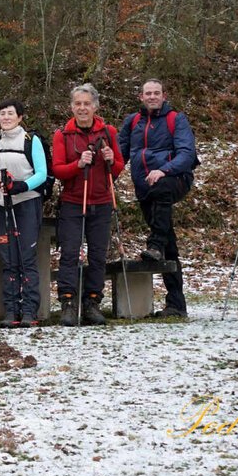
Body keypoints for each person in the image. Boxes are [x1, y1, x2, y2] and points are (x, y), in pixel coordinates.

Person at [123, 78, 198, 319]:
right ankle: (176, 303)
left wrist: (164, 170)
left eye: (157, 93)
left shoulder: (176, 119)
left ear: (164, 96)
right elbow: (119, 154)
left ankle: (154, 244)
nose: (152, 96)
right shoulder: (132, 122)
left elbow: (187, 153)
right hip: (144, 186)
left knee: (159, 234)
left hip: (174, 179)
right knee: (168, 240)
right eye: (148, 93)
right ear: (141, 97)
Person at [50, 84, 122, 327]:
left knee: (98, 255)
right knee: (70, 254)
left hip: (101, 202)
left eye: (87, 104)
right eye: (78, 104)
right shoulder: (63, 135)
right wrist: (78, 165)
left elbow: (118, 168)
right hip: (73, 202)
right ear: (71, 107)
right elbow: (58, 170)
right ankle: (68, 303)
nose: (82, 108)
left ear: (95, 106)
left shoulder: (109, 132)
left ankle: (92, 302)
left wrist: (111, 160)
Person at [0, 99, 48, 327]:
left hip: (26, 203)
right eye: (2, 113)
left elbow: (42, 173)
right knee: (8, 259)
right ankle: (11, 311)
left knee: (26, 258)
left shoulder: (31, 141)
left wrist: (22, 186)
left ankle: (30, 311)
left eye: (10, 113)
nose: (5, 117)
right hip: (2, 205)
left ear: (20, 117)